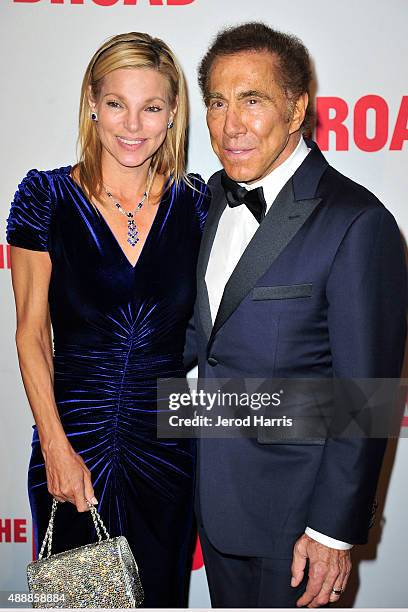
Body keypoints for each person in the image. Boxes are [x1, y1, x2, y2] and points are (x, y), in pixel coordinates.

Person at [188, 22, 407, 607]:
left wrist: (332, 531)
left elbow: (366, 394)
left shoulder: (357, 223)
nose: (230, 125)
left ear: (296, 109)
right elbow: (196, 341)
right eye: (216, 102)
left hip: (297, 522)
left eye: (252, 100)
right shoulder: (206, 200)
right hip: (211, 501)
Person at [7, 32, 209, 607]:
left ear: (173, 114)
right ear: (91, 102)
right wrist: (56, 449)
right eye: (117, 103)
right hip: (75, 444)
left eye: (152, 107)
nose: (133, 125)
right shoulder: (45, 197)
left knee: (162, 594)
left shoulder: (196, 205)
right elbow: (30, 334)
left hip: (167, 452)